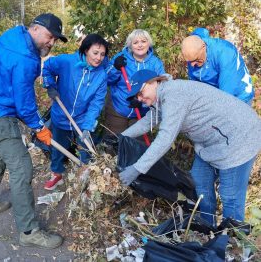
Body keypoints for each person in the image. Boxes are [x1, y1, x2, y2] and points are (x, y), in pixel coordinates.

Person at [0, 13, 67, 248]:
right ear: (35, 29)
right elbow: (24, 104)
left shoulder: (10, 38)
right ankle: (29, 231)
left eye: (54, 40)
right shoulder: (25, 57)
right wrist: (39, 128)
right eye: (50, 37)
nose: (51, 43)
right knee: (22, 167)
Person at [119, 69, 261, 226]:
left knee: (230, 196)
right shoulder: (160, 98)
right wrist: (120, 138)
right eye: (136, 96)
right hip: (210, 143)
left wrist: (137, 168)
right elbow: (148, 121)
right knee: (199, 186)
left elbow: (165, 138)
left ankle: (232, 242)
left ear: (154, 81)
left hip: (239, 138)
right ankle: (207, 229)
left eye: (141, 92)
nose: (140, 99)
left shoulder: (174, 95)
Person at [42, 34, 109, 190]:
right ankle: (57, 174)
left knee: (86, 150)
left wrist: (88, 126)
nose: (99, 58)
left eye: (102, 54)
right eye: (95, 52)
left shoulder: (101, 75)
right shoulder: (67, 62)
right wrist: (50, 85)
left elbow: (96, 103)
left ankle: (85, 178)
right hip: (61, 114)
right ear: (86, 50)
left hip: (82, 118)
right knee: (59, 148)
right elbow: (47, 67)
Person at [104, 29, 165, 137]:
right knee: (114, 142)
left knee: (136, 145)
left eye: (143, 41)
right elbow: (107, 80)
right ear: (130, 45)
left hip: (142, 113)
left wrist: (142, 103)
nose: (140, 45)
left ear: (149, 43)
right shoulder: (121, 58)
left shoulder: (155, 63)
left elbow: (162, 88)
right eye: (135, 42)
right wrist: (115, 68)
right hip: (118, 107)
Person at [181, 27, 254, 104]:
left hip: (239, 97)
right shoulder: (194, 50)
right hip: (215, 93)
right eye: (189, 62)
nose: (192, 65)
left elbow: (225, 97)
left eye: (196, 59)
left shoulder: (225, 53)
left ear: (203, 47)